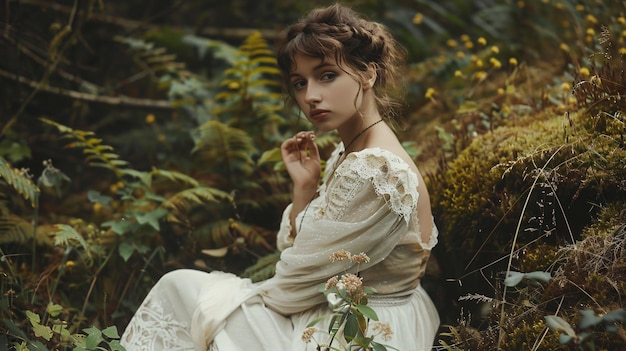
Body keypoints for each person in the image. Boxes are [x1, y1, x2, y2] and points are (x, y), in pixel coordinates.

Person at [120, 3, 439, 351]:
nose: (310, 96)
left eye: (327, 75)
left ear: (368, 74)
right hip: (355, 315)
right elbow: (307, 257)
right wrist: (305, 188)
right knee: (189, 293)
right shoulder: (353, 152)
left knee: (182, 289)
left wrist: (236, 297)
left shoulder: (378, 168)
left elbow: (292, 289)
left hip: (361, 332)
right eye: (299, 83)